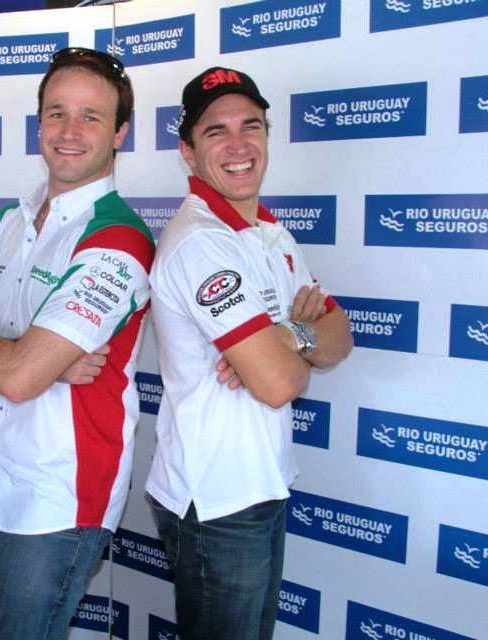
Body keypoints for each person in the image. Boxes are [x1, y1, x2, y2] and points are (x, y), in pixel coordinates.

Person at [0, 48, 154, 640]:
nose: (69, 131)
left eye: (91, 116)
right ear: (38, 122)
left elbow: (15, 376)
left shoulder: (119, 238)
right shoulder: (7, 223)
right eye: (56, 113)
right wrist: (28, 358)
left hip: (56, 504)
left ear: (119, 133)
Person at [146, 66, 353, 640]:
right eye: (216, 131)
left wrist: (285, 338)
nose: (239, 145)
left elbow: (340, 335)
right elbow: (279, 384)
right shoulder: (200, 241)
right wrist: (293, 345)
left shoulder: (271, 233)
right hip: (217, 500)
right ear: (188, 152)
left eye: (251, 126)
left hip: (263, 483)